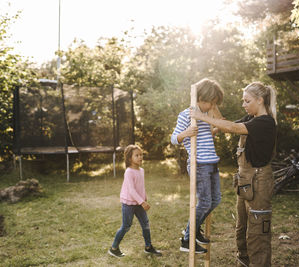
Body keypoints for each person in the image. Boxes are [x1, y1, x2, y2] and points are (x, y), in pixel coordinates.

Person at [190, 82, 277, 267]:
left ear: (260, 100)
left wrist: (200, 117)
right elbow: (225, 124)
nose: (243, 105)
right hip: (245, 181)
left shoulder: (265, 122)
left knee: (257, 232)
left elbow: (232, 128)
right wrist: (212, 105)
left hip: (259, 182)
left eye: (247, 101)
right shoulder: (251, 118)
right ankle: (243, 263)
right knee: (242, 228)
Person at [171, 78, 224, 254]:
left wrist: (213, 110)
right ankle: (187, 239)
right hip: (199, 164)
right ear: (201, 98)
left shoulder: (205, 115)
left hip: (211, 162)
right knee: (205, 201)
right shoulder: (186, 115)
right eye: (211, 102)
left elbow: (219, 122)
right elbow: (174, 138)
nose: (212, 106)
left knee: (216, 199)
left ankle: (193, 230)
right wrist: (186, 133)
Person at [108, 144, 162, 258]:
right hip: (129, 204)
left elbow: (140, 186)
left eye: (141, 155)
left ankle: (148, 247)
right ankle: (114, 248)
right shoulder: (129, 172)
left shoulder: (141, 170)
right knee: (126, 226)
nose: (140, 157)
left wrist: (144, 197)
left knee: (145, 224)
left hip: (139, 203)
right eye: (136, 155)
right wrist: (142, 202)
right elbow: (131, 190)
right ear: (129, 158)